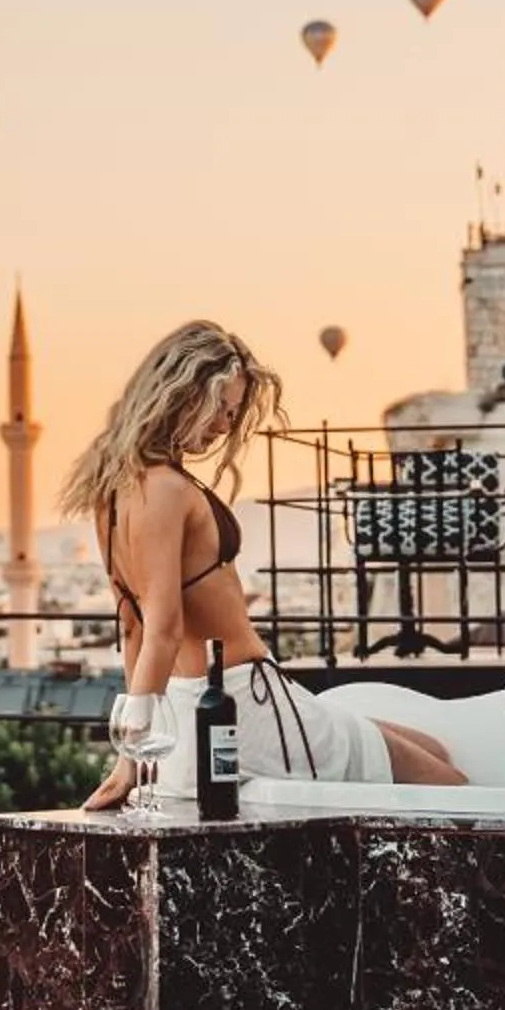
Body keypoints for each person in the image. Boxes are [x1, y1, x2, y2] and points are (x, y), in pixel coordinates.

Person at [57, 320, 464, 808]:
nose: (226, 425)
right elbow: (161, 626)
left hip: (214, 702)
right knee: (452, 788)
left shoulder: (116, 491)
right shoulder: (164, 488)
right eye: (221, 408)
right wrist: (130, 757)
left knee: (435, 749)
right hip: (247, 706)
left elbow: (131, 627)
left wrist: (137, 748)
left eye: (233, 412)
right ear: (184, 392)